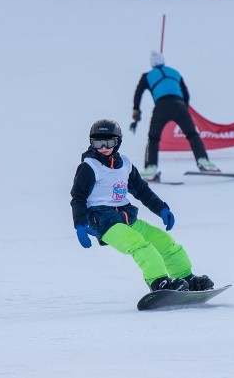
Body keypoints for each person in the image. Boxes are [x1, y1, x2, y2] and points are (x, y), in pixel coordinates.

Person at [70, 119, 214, 292]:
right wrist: (80, 223)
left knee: (163, 241)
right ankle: (158, 281)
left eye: (109, 142)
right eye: (98, 143)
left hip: (127, 218)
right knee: (139, 245)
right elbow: (78, 197)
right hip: (104, 223)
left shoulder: (126, 164)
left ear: (118, 142)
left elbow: (141, 190)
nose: (103, 148)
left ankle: (185, 277)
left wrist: (161, 208)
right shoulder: (89, 167)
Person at [131, 51, 219, 180]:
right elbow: (186, 93)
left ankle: (151, 168)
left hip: (161, 106)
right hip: (179, 105)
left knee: (153, 139)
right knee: (192, 134)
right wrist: (184, 108)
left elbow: (138, 93)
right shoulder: (175, 72)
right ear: (164, 61)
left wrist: (136, 109)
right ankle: (203, 161)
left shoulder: (147, 76)